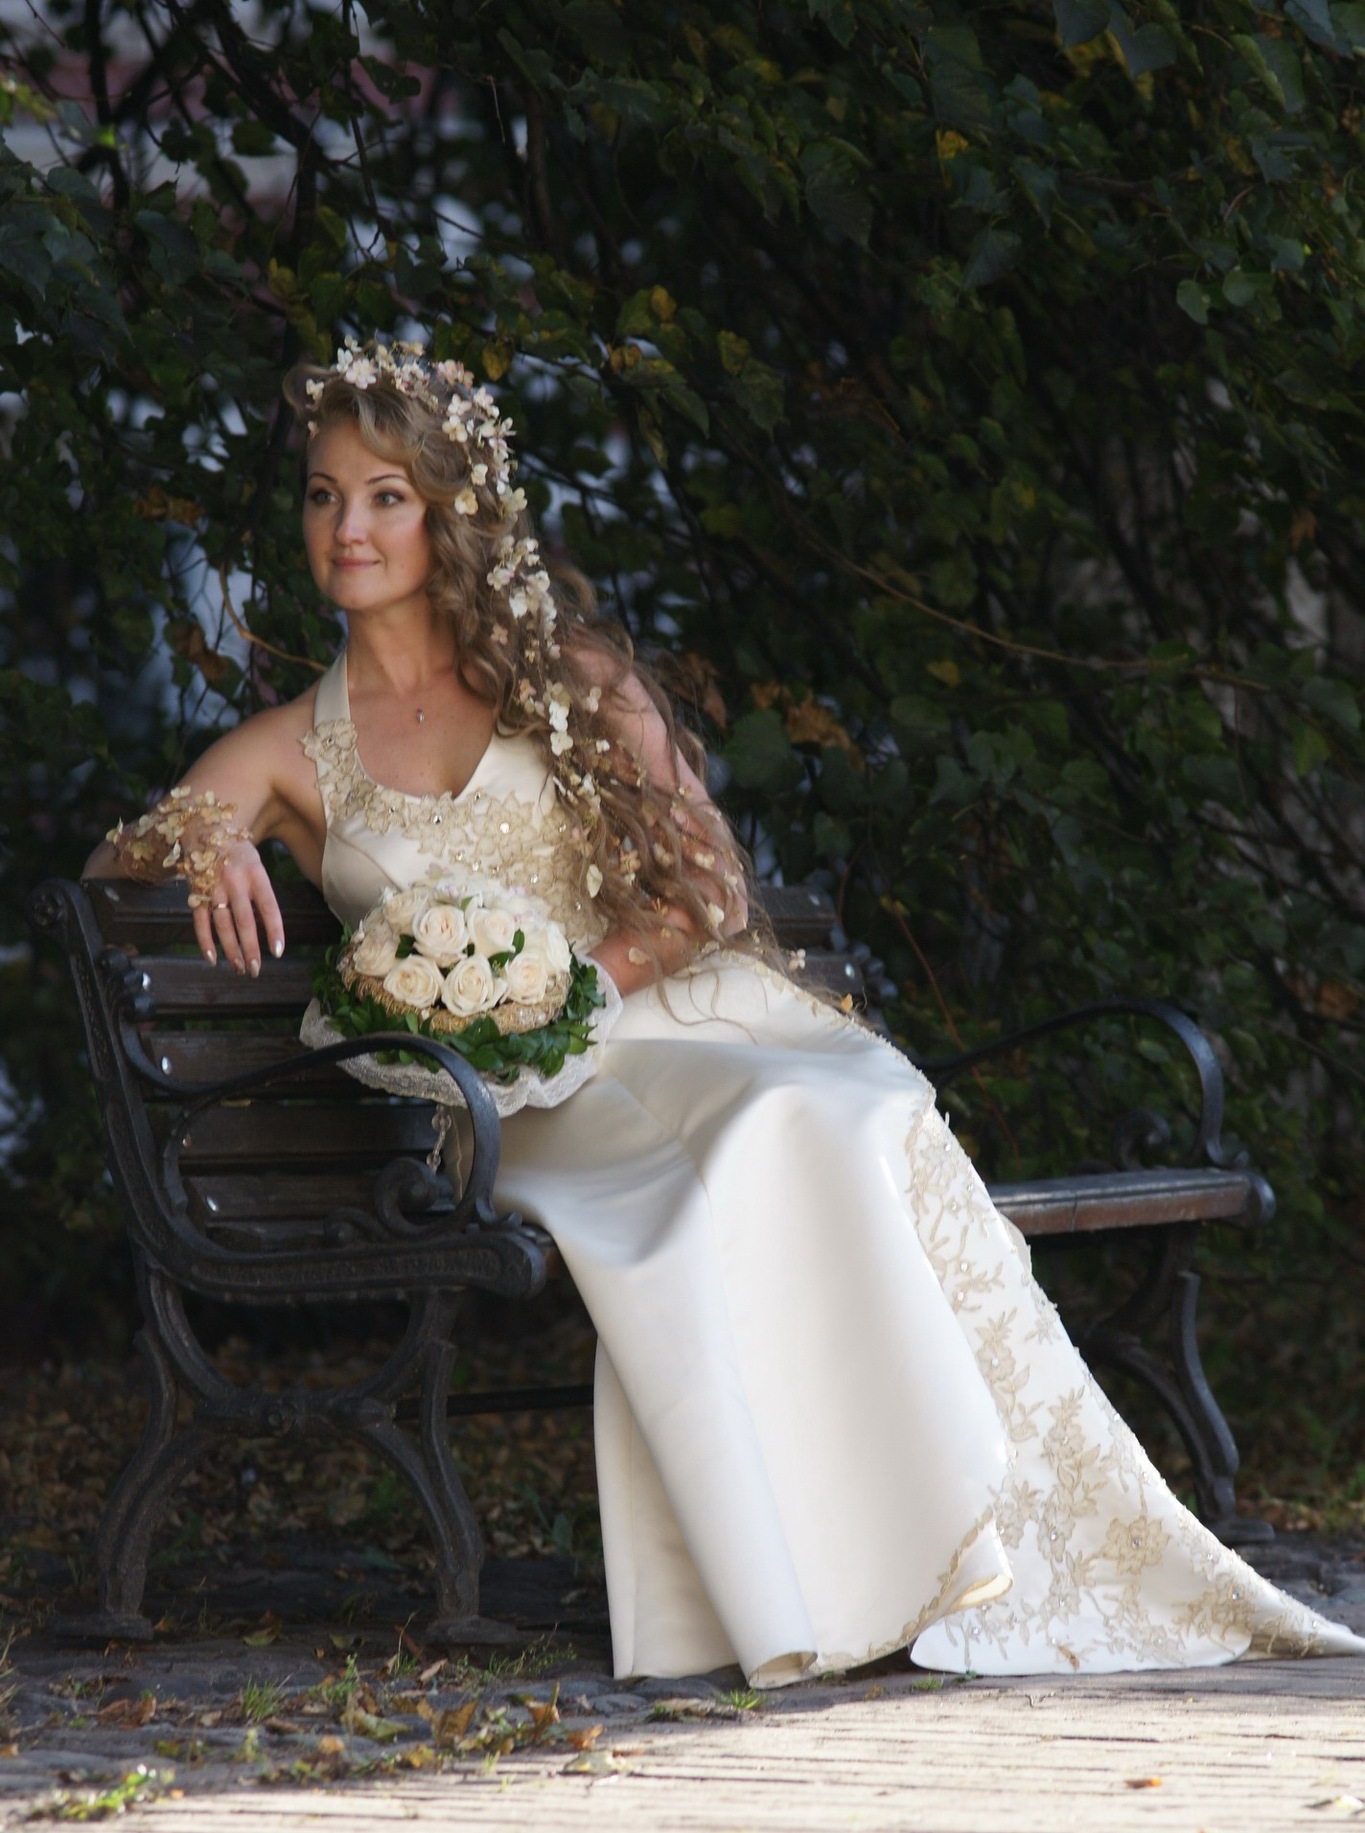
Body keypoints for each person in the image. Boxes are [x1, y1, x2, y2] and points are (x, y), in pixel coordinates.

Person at [86, 339, 1364, 1686]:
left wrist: (581, 986)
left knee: (829, 1105)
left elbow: (704, 887)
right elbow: (115, 868)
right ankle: (812, 1583)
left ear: (451, 511)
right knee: (767, 1128)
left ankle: (938, 1548)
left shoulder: (569, 677)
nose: (346, 526)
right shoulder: (291, 749)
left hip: (671, 1021)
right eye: (323, 494)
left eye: (385, 495)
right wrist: (199, 842)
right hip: (514, 1108)